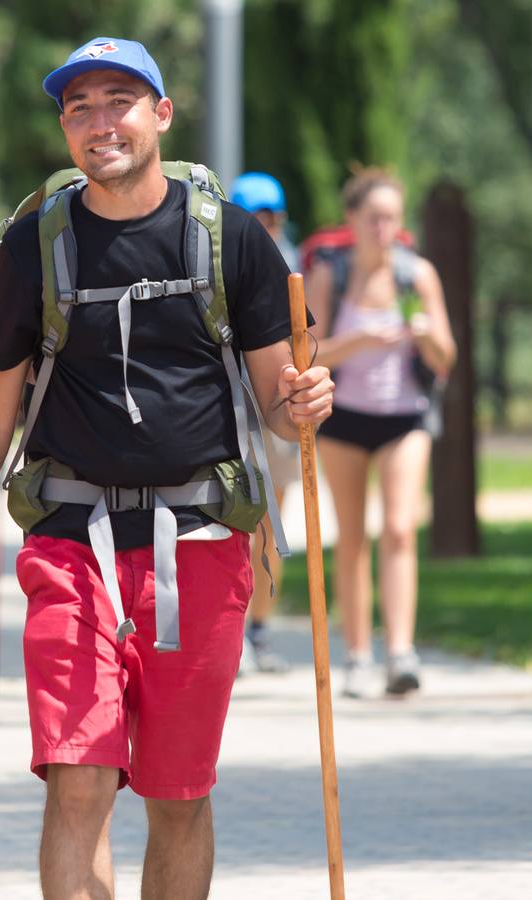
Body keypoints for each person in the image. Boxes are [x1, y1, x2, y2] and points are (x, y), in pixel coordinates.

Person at [0, 37, 333, 898]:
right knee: (80, 778)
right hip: (71, 546)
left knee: (178, 797)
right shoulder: (33, 245)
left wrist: (302, 404)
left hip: (203, 542)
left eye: (119, 101)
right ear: (65, 130)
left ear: (161, 114)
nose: (99, 123)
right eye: (80, 109)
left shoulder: (229, 240)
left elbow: (274, 401)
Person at [305, 169, 456, 699]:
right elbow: (311, 352)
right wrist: (360, 339)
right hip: (344, 417)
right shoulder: (332, 275)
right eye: (374, 218)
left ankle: (400, 653)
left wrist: (427, 334)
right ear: (352, 221)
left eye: (392, 217)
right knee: (351, 538)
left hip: (404, 417)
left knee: (398, 529)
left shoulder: (418, 276)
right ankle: (356, 656)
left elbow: (445, 359)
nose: (384, 227)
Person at [230, 170, 300, 675]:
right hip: (229, 410)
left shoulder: (292, 265)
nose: (262, 224)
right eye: (253, 214)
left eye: (269, 216)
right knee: (236, 522)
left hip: (273, 410)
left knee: (270, 522)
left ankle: (260, 629)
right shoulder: (214, 256)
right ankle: (233, 628)